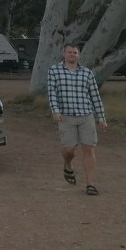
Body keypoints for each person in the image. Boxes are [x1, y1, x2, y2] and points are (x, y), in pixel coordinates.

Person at [47, 43, 107, 196]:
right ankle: (68, 165)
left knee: (89, 149)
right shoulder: (54, 71)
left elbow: (95, 96)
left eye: (75, 52)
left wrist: (101, 117)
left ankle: (90, 184)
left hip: (86, 115)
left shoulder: (87, 73)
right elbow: (52, 93)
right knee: (69, 149)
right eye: (69, 52)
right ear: (64, 54)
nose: (72, 55)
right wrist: (55, 110)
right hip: (65, 116)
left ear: (78, 55)